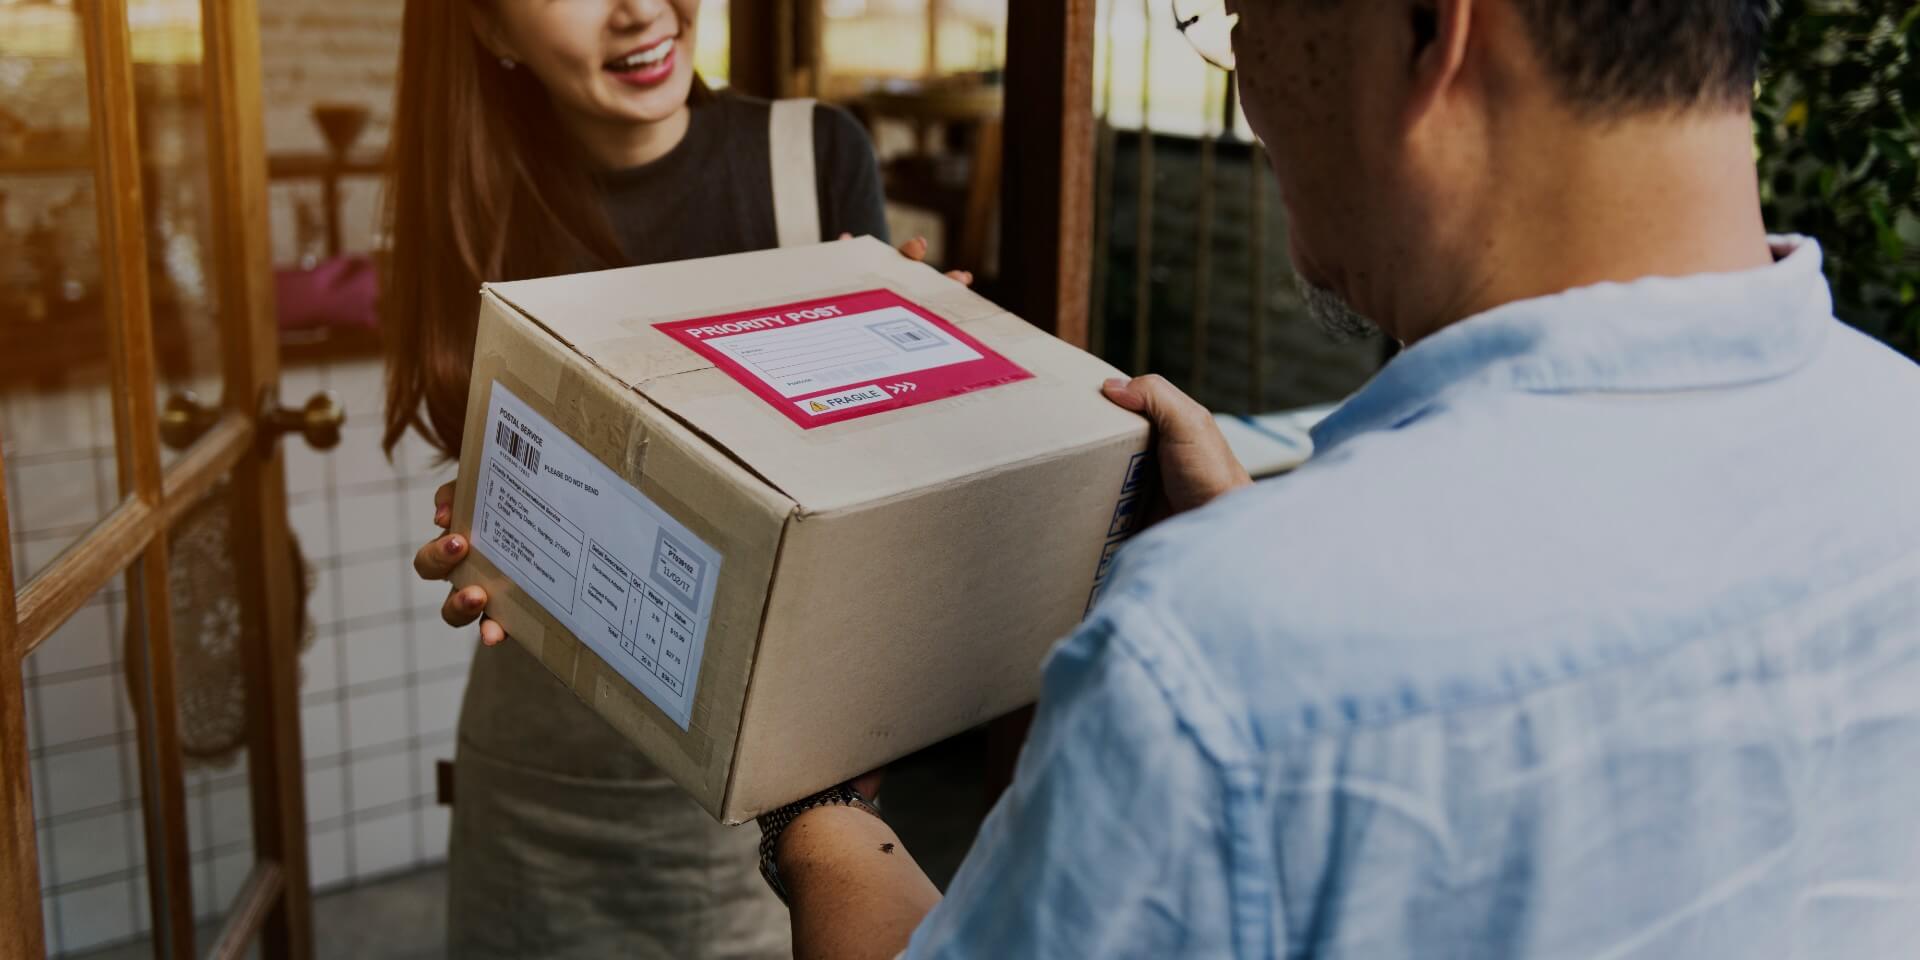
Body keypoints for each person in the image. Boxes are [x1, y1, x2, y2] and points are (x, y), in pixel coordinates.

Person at [757, 0, 1920, 957]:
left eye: (1239, 13)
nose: (1244, 79)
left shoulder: (1218, 671)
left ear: (1431, 30)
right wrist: (1262, 545)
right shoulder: (1898, 436)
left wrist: (816, 803)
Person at [383, 2, 958, 956]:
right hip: (541, 766)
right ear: (489, 28)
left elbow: (870, 507)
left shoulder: (808, 160)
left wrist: (934, 378)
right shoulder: (469, 195)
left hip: (765, 793)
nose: (641, 9)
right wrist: (492, 529)